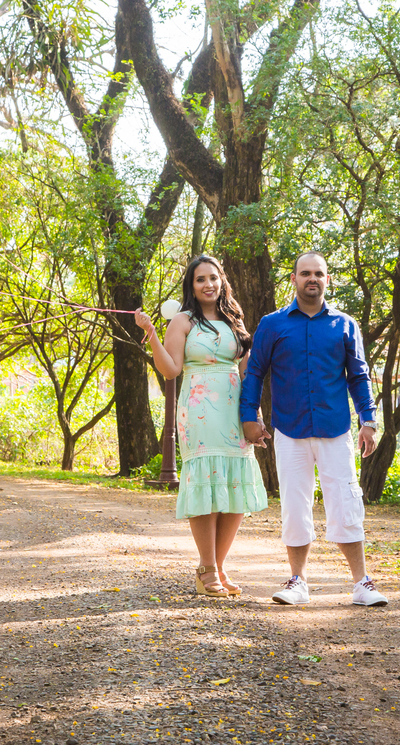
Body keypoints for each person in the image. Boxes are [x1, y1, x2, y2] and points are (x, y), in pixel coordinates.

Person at [239, 251, 387, 607]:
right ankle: (298, 582)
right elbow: (255, 372)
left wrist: (368, 421)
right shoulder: (272, 325)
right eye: (305, 273)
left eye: (319, 273)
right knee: (294, 505)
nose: (312, 279)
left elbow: (359, 376)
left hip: (335, 430)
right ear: (294, 279)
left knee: (346, 502)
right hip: (289, 430)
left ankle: (361, 583)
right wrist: (249, 417)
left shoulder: (345, 325)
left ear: (327, 279)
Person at [136, 255, 269, 597]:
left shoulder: (234, 319)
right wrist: (151, 333)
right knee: (206, 482)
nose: (208, 284)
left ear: (222, 281)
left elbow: (247, 373)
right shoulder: (183, 320)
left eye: (213, 277)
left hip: (234, 409)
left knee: (234, 483)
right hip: (199, 411)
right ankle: (206, 566)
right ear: (191, 286)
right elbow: (171, 369)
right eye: (200, 279)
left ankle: (217, 567)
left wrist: (255, 416)